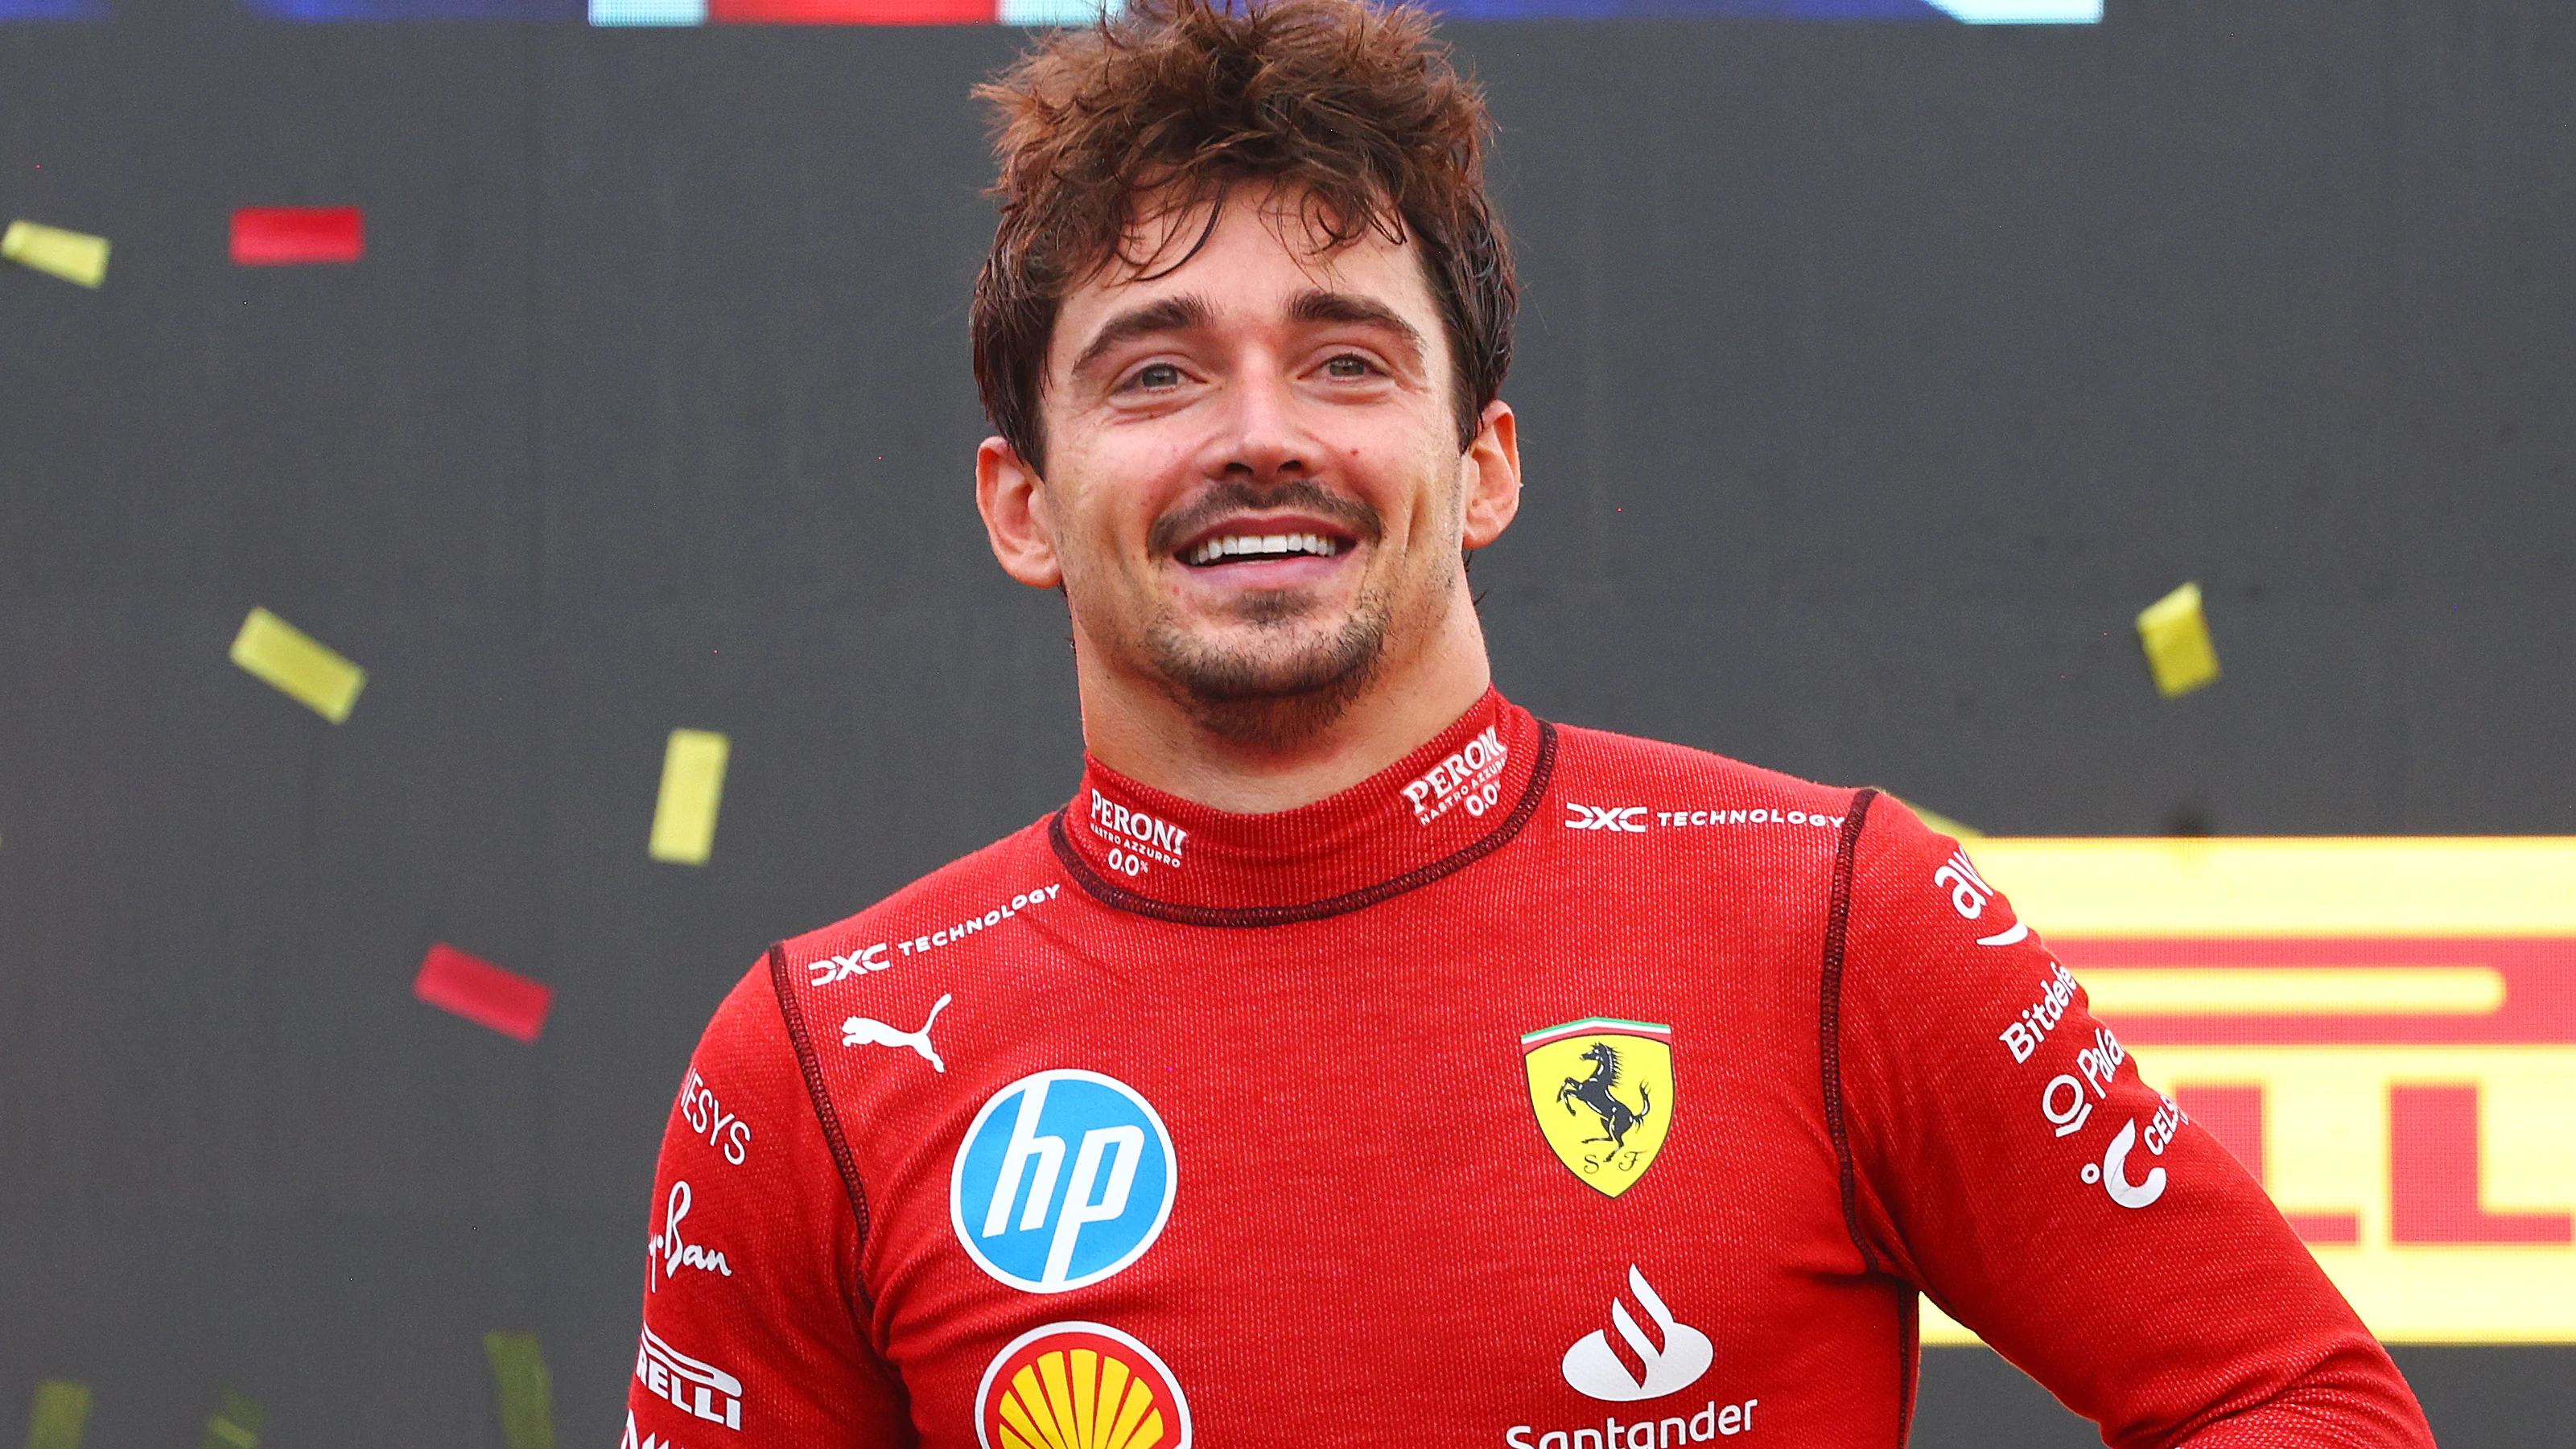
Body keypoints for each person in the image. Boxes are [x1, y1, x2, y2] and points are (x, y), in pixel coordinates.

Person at [625, 0, 2434, 1443]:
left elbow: (2303, 1407)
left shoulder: (1834, 918)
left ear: (1481, 468)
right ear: (1021, 502)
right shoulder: (819, 1061)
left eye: (1347, 357)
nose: (1261, 432)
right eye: (1155, 369)